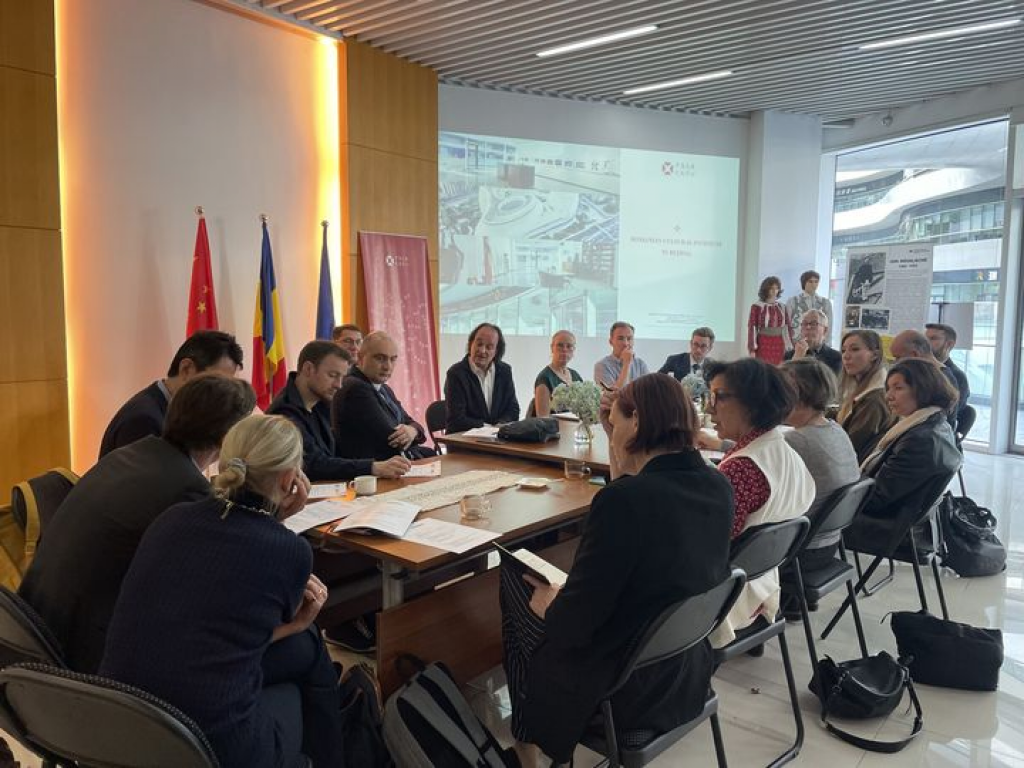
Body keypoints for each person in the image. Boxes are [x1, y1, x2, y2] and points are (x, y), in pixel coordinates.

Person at [500, 374, 733, 764]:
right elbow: (634, 490)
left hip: (622, 687)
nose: (613, 432)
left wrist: (551, 605)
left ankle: (529, 737)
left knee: (515, 578)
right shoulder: (717, 485)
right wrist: (616, 439)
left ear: (636, 421)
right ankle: (530, 732)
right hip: (684, 668)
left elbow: (574, 625)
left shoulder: (624, 503)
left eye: (616, 423)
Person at [100, 415, 343, 768]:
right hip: (211, 744)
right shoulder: (290, 551)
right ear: (290, 479)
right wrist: (277, 524)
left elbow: (229, 620)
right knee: (311, 652)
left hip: (119, 718)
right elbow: (250, 605)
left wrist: (294, 626)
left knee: (304, 642)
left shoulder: (172, 518)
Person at [20, 374, 256, 672]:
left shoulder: (130, 455)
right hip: (86, 655)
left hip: (36, 628)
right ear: (228, 437)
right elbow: (216, 579)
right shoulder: (187, 489)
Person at [702, 358, 815, 647]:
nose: (709, 408)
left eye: (719, 397)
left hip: (725, 600)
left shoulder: (741, 469)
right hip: (761, 585)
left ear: (753, 403)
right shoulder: (781, 449)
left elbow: (707, 549)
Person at [845, 358, 962, 553]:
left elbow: (876, 499)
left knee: (805, 512)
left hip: (885, 526)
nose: (888, 396)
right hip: (902, 520)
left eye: (898, 388)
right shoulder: (935, 424)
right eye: (888, 388)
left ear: (923, 389)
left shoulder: (920, 440)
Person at [779, 359, 860, 609]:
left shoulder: (798, 440)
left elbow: (760, 461)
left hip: (800, 552)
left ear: (796, 394)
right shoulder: (834, 429)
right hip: (828, 543)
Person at [267, 340, 410, 480]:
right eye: (333, 375)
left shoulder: (320, 402)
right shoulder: (284, 413)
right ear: (308, 369)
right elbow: (314, 464)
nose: (339, 385)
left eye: (342, 377)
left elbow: (335, 454)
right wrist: (373, 467)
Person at [98, 330, 243, 458]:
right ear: (186, 369)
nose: (221, 395)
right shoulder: (144, 421)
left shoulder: (171, 413)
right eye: (216, 383)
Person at [332, 331, 435, 460]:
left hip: (394, 460)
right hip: (373, 466)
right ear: (360, 357)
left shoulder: (384, 388)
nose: (387, 366)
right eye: (380, 358)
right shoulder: (355, 387)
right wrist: (412, 432)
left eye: (393, 359)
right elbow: (392, 439)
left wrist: (412, 430)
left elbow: (410, 422)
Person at [444, 322, 520, 432]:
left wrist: (501, 425)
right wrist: (488, 428)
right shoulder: (456, 374)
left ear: (496, 351)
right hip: (463, 438)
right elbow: (456, 420)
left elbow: (513, 409)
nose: (482, 350)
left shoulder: (504, 371)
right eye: (479, 344)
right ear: (471, 344)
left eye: (489, 347)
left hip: (496, 437)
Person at [837, 329, 893, 463]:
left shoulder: (874, 399)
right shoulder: (860, 388)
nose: (846, 356)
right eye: (843, 351)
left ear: (875, 355)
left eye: (855, 349)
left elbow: (850, 446)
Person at [925, 322, 971, 426]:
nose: (926, 343)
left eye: (933, 338)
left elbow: (950, 414)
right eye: (925, 338)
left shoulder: (957, 376)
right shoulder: (919, 369)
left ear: (949, 344)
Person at [532, 330, 583, 417]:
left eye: (569, 346)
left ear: (574, 350)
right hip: (555, 426)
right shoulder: (544, 378)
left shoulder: (576, 375)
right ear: (552, 348)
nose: (565, 350)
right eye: (560, 345)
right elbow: (543, 419)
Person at [747, 276, 793, 365]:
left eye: (776, 288)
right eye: (771, 288)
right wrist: (752, 349)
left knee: (779, 367)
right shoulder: (757, 306)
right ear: (766, 289)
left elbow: (788, 327)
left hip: (779, 343)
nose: (774, 291)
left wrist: (790, 346)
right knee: (764, 367)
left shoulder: (782, 307)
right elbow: (752, 327)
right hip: (763, 342)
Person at [783, 309, 842, 374]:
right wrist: (796, 359)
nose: (808, 327)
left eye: (814, 324)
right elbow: (784, 379)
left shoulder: (835, 357)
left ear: (825, 331)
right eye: (805, 324)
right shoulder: (789, 355)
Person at [594, 321, 649, 390]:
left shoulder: (640, 364)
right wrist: (626, 364)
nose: (626, 343)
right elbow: (613, 394)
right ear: (611, 342)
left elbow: (648, 390)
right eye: (620, 338)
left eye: (629, 339)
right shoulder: (602, 366)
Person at [786, 269, 833, 340]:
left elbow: (829, 326)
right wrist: (788, 343)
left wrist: (827, 343)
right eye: (810, 281)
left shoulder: (826, 302)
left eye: (816, 281)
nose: (813, 284)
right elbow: (787, 325)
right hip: (797, 341)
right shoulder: (792, 301)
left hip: (818, 341)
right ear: (804, 282)